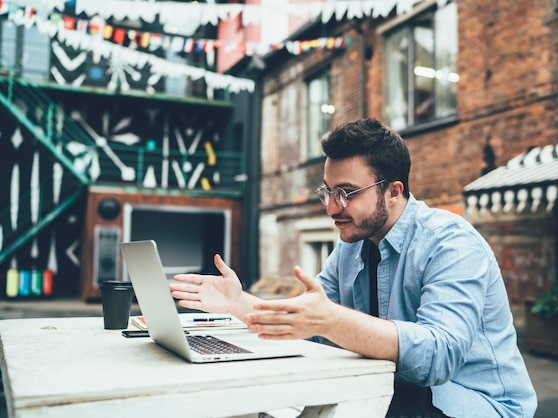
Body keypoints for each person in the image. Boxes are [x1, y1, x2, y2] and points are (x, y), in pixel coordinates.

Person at [170, 118, 537, 418]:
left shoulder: (451, 242)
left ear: (393, 191)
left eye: (347, 192)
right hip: (392, 391)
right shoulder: (353, 243)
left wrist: (331, 321)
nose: (332, 207)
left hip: (473, 405)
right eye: (328, 192)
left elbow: (438, 359)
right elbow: (309, 324)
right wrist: (241, 304)